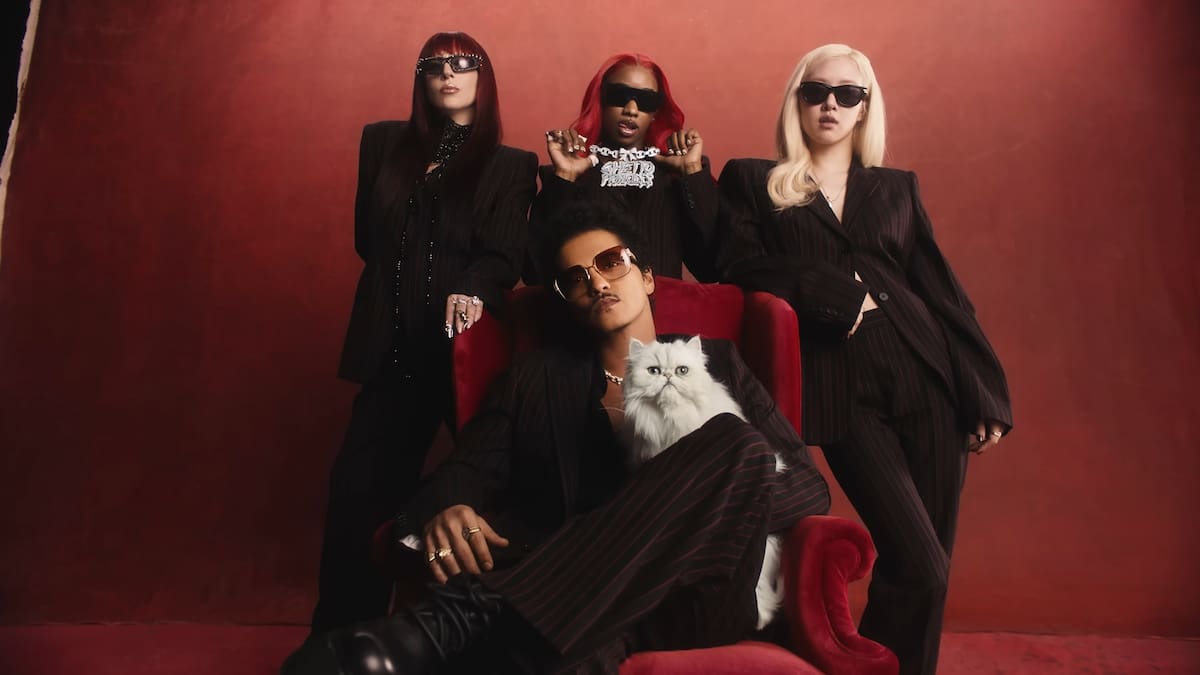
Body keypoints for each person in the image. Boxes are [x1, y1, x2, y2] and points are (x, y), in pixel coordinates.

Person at [283, 203, 831, 674]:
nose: (597, 282)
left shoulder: (718, 362)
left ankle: (459, 619)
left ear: (646, 277)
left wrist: (706, 498)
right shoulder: (534, 380)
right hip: (580, 614)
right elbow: (464, 469)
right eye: (576, 278)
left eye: (611, 262)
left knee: (735, 442)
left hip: (697, 597)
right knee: (571, 649)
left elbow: (809, 486)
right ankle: (499, 634)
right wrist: (448, 506)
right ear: (568, 301)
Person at [716, 44, 1013, 675]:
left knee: (924, 568)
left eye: (847, 94)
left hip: (927, 378)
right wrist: (826, 291)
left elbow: (944, 294)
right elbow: (736, 267)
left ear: (864, 107)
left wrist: (983, 390)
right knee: (921, 563)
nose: (830, 104)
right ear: (797, 101)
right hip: (841, 388)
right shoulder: (753, 180)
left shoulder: (897, 188)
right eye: (816, 91)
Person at [309, 31, 537, 635]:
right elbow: (368, 239)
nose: (448, 74)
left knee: (507, 488)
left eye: (462, 64)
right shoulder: (382, 143)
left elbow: (503, 254)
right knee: (357, 496)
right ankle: (341, 642)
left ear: (483, 77)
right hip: (391, 349)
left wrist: (473, 287)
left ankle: (503, 637)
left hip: (463, 353)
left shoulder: (511, 166)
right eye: (433, 66)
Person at [526, 53, 720, 285]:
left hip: (666, 306)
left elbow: (711, 268)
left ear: (656, 112)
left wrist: (692, 171)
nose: (631, 109)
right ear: (600, 100)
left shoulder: (677, 176)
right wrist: (565, 177)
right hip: (592, 303)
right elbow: (534, 271)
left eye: (646, 101)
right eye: (619, 95)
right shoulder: (568, 173)